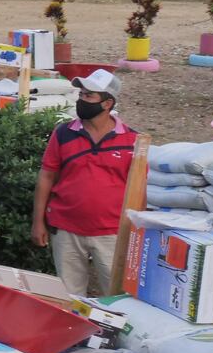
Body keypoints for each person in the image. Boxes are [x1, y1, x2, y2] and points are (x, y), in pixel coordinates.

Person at [32, 71, 139, 297]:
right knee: (69, 298)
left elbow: (138, 189)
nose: (81, 100)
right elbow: (46, 176)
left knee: (117, 298)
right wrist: (38, 222)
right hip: (66, 230)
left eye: (89, 96)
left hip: (111, 233)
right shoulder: (63, 133)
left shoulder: (132, 140)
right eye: (81, 94)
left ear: (107, 103)